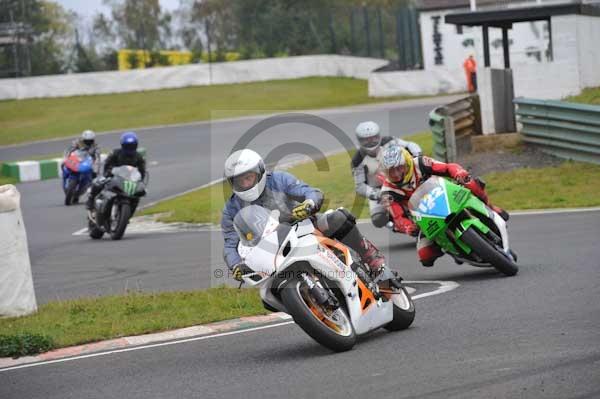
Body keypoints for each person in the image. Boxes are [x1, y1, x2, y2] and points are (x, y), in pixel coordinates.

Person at [221, 148, 400, 286]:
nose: (245, 184)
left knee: (339, 218)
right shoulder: (231, 208)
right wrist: (235, 265)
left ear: (259, 172)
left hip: (304, 227)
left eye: (248, 178)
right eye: (239, 181)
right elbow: (230, 242)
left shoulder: (278, 179)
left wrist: (309, 204)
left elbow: (309, 191)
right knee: (268, 295)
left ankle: (372, 261)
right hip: (272, 253)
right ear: (232, 184)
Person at [377, 143, 509, 267]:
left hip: (446, 196)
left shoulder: (421, 162)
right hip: (424, 219)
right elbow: (398, 218)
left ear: (407, 162)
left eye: (399, 168)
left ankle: (490, 207)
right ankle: (450, 248)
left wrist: (459, 173)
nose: (397, 174)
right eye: (391, 172)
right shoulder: (387, 193)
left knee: (470, 182)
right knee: (425, 256)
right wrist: (408, 227)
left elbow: (447, 167)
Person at [351, 121, 422, 230]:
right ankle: (395, 225)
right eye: (366, 139)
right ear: (360, 141)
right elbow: (359, 186)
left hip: (400, 179)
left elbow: (409, 145)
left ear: (379, 136)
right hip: (378, 189)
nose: (371, 142)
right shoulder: (357, 160)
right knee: (377, 219)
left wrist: (417, 155)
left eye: (373, 138)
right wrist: (376, 194)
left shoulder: (389, 142)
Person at [86, 131, 146, 211]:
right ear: (122, 145)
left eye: (132, 145)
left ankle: (130, 210)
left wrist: (140, 180)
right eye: (127, 146)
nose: (129, 147)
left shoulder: (138, 157)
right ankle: (90, 201)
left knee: (139, 193)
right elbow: (107, 163)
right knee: (97, 183)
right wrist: (107, 173)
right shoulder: (116, 152)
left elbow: (142, 170)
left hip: (130, 179)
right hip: (114, 175)